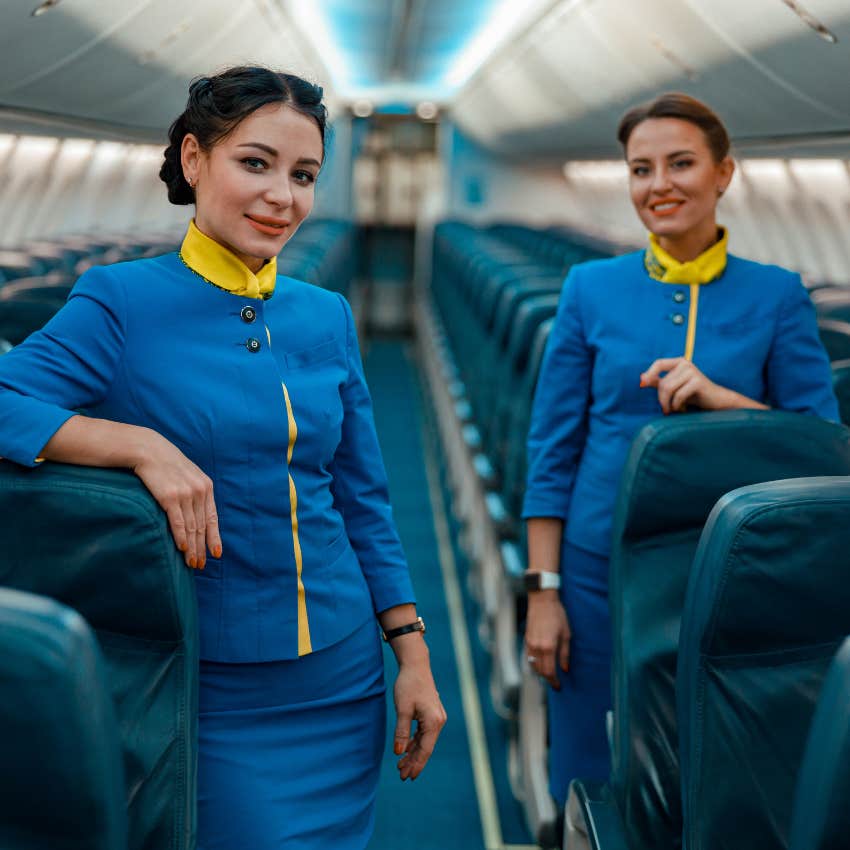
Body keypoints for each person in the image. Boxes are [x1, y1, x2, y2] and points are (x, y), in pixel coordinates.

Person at [0, 66, 446, 849]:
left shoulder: (326, 315)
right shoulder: (120, 301)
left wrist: (411, 650)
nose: (283, 195)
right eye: (256, 162)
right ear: (195, 157)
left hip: (343, 674)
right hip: (208, 679)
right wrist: (133, 443)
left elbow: (363, 497)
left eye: (304, 175)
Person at [521, 91, 839, 805]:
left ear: (723, 174)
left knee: (715, 765)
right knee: (588, 754)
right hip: (599, 569)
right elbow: (551, 451)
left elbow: (822, 449)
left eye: (680, 164)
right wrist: (543, 594)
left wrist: (722, 399)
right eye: (641, 169)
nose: (658, 184)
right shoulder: (590, 289)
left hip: (734, 572)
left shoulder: (777, 294)